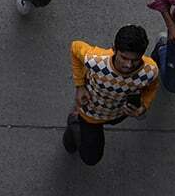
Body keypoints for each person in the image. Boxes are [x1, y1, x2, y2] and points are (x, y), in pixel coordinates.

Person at [63, 25, 159, 165]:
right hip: (91, 113)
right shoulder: (96, 60)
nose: (128, 65)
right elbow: (75, 47)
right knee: (91, 158)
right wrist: (80, 86)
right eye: (124, 58)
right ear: (114, 49)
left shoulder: (150, 71)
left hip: (118, 113)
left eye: (135, 60)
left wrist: (143, 106)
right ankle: (75, 122)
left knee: (111, 123)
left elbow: (151, 87)